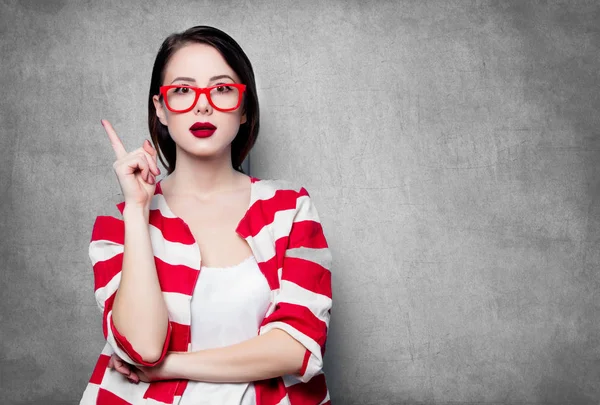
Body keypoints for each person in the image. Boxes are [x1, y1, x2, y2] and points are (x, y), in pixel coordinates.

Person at [79, 25, 333, 405]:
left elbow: (296, 348)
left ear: (245, 109)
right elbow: (144, 348)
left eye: (222, 88)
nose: (202, 105)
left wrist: (171, 367)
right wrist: (137, 209)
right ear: (161, 109)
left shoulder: (289, 208)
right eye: (182, 90)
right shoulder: (118, 226)